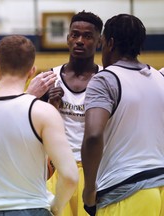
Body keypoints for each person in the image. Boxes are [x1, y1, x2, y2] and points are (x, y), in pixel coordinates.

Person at [0, 35, 79, 216]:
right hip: (31, 209)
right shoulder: (43, 112)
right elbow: (70, 177)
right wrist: (56, 208)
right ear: (31, 71)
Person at [81, 14, 164, 216]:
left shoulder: (105, 80)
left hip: (126, 189)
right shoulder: (158, 77)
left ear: (109, 43)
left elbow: (93, 136)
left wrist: (89, 190)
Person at [46, 11, 103, 216]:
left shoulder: (107, 79)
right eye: (75, 34)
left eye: (87, 36)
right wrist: (50, 106)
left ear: (99, 41)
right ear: (67, 38)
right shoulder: (49, 78)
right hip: (56, 167)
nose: (80, 41)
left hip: (94, 170)